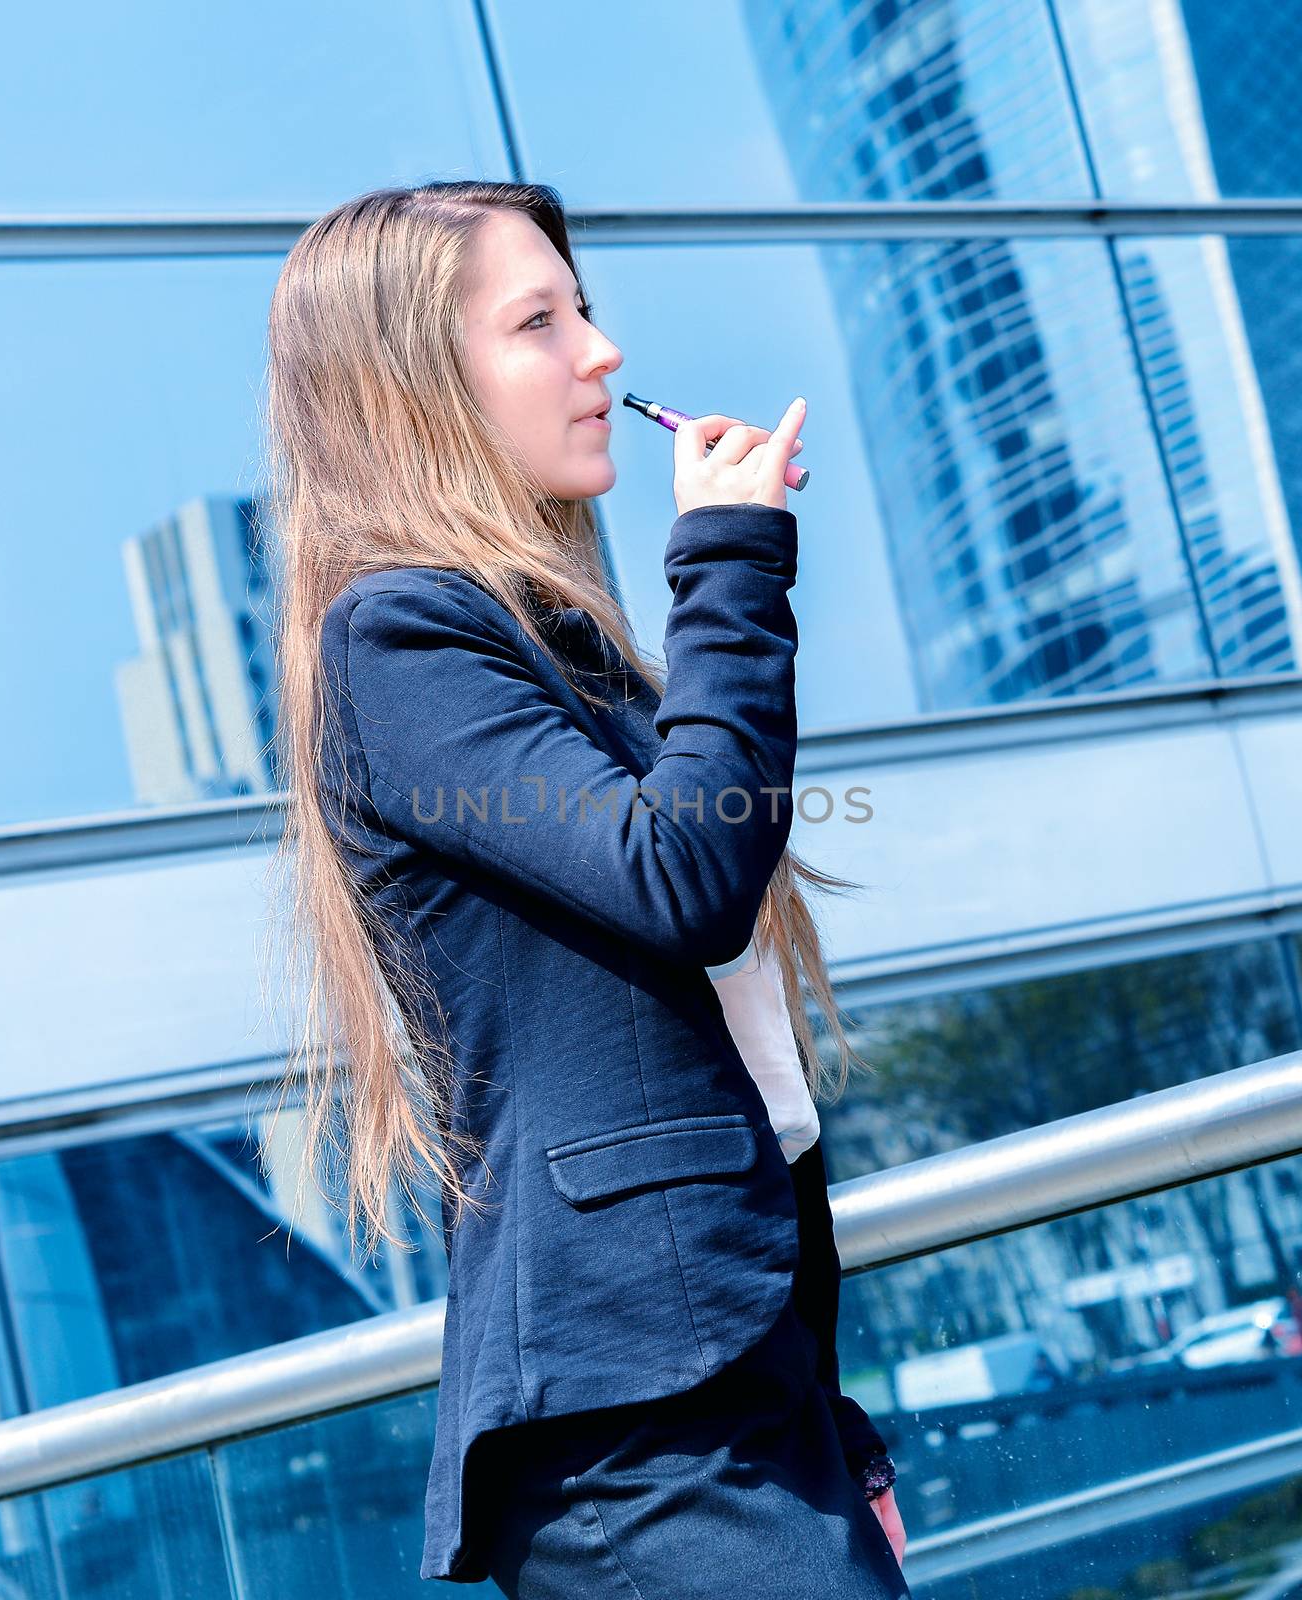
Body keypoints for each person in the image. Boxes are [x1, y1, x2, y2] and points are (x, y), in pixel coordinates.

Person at [262, 179, 910, 1596]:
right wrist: (733, 561)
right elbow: (687, 880)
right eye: (538, 322)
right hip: (640, 1438)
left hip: (733, 1399)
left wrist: (829, 1426)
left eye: (587, 311)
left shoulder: (565, 655)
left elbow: (739, 1079)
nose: (601, 355)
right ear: (416, 386)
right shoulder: (401, 639)